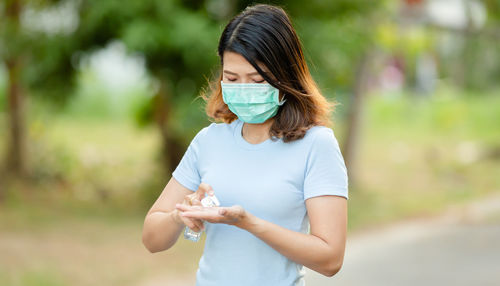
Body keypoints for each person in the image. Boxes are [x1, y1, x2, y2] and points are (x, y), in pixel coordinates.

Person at [142, 4, 348, 286]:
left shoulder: (316, 145)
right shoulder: (209, 141)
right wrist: (180, 215)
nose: (243, 88)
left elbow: (331, 259)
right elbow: (152, 239)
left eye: (257, 80)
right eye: (232, 78)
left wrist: (249, 223)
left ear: (285, 76)